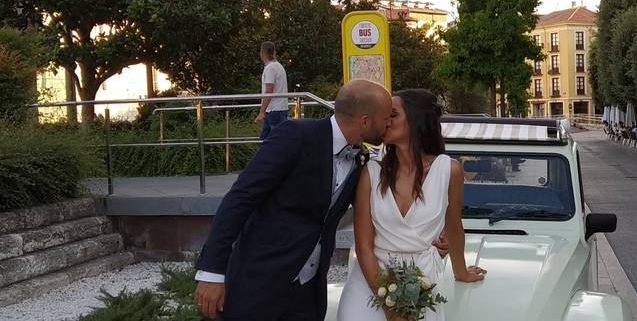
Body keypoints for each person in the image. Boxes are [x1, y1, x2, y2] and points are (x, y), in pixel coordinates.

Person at [194, 80, 393, 321]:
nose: (388, 123)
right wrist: (212, 272)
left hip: (308, 295)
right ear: (365, 121)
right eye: (385, 118)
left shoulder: (360, 158)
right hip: (259, 284)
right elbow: (240, 198)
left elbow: (375, 211)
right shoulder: (296, 136)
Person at [338, 89, 486, 320]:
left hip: (420, 279)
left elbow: (454, 227)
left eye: (393, 115)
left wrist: (461, 272)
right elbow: (363, 246)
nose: (385, 121)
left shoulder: (449, 170)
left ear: (416, 120)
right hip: (371, 276)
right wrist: (388, 305)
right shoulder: (372, 172)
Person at [256, 41, 289, 140]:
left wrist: (261, 112)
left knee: (273, 141)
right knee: (266, 140)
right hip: (278, 109)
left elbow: (269, 91)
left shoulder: (270, 68)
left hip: (274, 110)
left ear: (262, 53)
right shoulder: (278, 66)